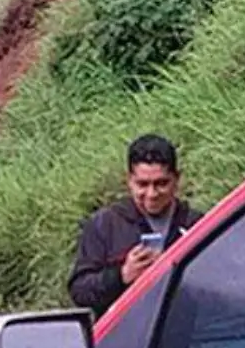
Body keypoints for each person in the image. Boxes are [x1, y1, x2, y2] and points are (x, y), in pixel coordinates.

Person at [69, 134, 202, 315]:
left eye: (161, 183)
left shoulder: (196, 225)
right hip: (126, 336)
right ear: (129, 181)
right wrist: (121, 275)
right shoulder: (104, 225)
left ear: (177, 179)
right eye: (142, 184)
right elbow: (80, 292)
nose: (152, 193)